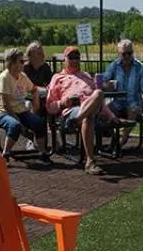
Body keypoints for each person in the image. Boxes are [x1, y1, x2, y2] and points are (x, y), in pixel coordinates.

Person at [45, 46, 116, 175]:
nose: (74, 60)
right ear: (64, 60)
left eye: (77, 57)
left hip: (86, 111)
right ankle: (90, 162)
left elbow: (99, 101)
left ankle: (78, 120)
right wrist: (62, 103)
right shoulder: (57, 78)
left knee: (98, 93)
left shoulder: (87, 76)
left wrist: (111, 117)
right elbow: (49, 106)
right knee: (89, 115)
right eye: (71, 57)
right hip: (72, 111)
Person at [0, 47, 49, 161]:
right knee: (15, 126)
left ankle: (43, 152)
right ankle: (6, 154)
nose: (24, 64)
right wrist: (19, 121)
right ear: (12, 63)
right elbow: (6, 105)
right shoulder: (4, 78)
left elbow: (34, 90)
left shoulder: (22, 76)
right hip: (4, 113)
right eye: (21, 61)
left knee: (39, 123)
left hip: (21, 111)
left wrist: (36, 106)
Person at [101, 38, 143, 123]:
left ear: (133, 52)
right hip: (117, 103)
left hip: (135, 104)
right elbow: (103, 81)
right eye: (124, 54)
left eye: (129, 53)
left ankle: (123, 136)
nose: (127, 56)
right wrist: (107, 85)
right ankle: (111, 135)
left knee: (133, 112)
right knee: (101, 114)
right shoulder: (114, 66)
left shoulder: (140, 68)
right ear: (119, 54)